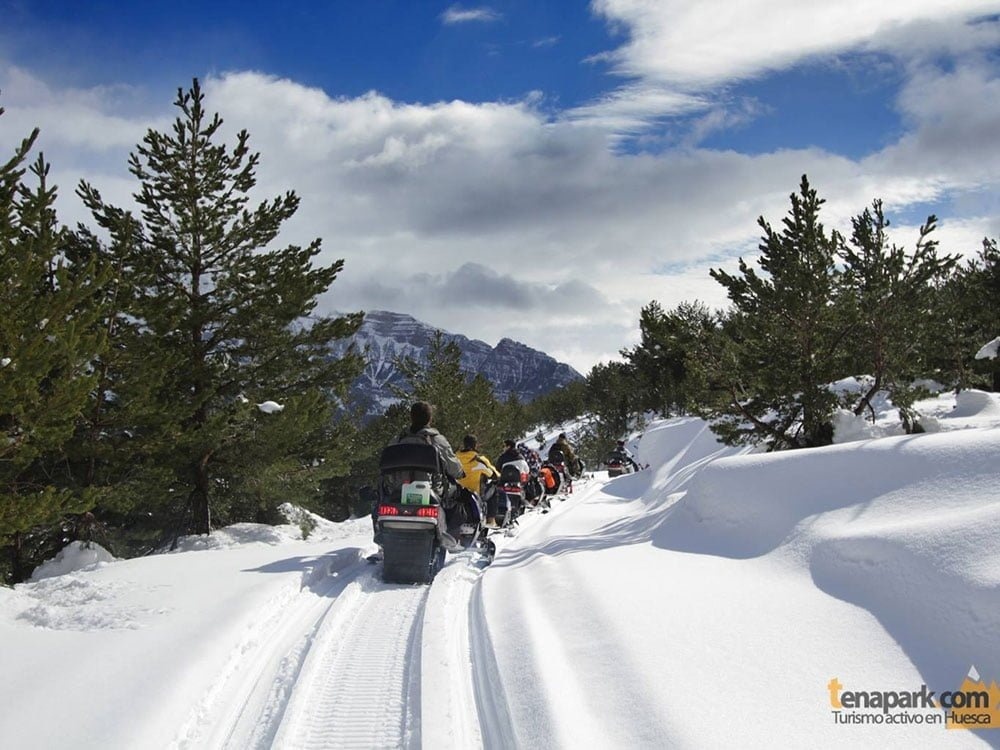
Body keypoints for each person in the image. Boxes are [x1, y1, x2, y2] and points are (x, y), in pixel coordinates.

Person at [390, 401, 465, 548]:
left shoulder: (398, 439)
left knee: (380, 500)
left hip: (399, 489)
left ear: (411, 417)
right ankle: (453, 538)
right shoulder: (437, 440)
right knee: (457, 499)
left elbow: (386, 461)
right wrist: (460, 473)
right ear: (430, 419)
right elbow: (454, 468)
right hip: (430, 490)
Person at [457, 434, 501, 527]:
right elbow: (494, 475)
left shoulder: (456, 457)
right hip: (474, 493)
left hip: (458, 492)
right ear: (475, 445)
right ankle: (491, 520)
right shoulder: (479, 460)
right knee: (494, 490)